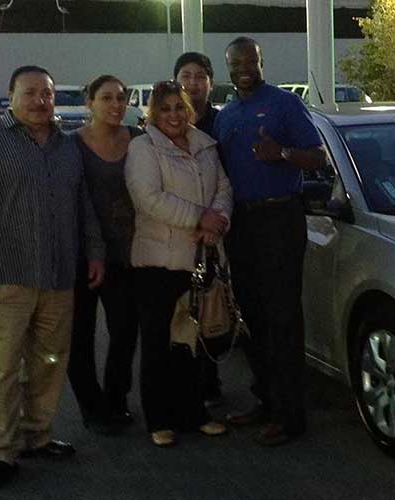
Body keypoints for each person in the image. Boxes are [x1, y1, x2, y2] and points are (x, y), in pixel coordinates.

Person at [0, 65, 105, 490]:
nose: (40, 101)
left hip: (58, 277)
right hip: (4, 276)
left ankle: (37, 436)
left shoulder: (67, 146)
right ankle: (1, 452)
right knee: (1, 369)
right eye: (30, 93)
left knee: (48, 362)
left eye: (47, 94)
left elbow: (83, 205)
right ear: (11, 97)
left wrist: (94, 252)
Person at [214, 37, 327, 447]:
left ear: (262, 62)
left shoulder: (285, 104)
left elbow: (319, 157)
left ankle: (291, 416)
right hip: (241, 223)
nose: (244, 68)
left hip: (280, 218)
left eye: (251, 61)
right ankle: (266, 401)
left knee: (282, 319)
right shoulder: (228, 114)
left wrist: (281, 154)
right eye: (236, 63)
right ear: (228, 67)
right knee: (251, 318)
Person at [125, 81, 233, 448]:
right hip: (157, 263)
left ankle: (193, 413)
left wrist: (217, 221)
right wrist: (199, 217)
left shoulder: (205, 145)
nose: (173, 115)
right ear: (154, 113)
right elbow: (148, 198)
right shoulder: (143, 148)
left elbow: (224, 188)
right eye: (165, 108)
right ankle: (159, 419)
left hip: (199, 258)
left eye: (179, 107)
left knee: (191, 343)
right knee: (158, 343)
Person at [65, 75, 146, 435]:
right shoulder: (71, 145)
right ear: (90, 103)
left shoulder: (139, 139)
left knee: (125, 331)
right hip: (82, 255)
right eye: (106, 98)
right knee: (79, 336)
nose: (115, 105)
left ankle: (116, 398)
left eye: (120, 98)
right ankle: (91, 406)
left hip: (126, 254)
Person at [174, 51, 224, 408]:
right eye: (186, 76)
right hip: (176, 232)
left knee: (212, 307)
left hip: (216, 231)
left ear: (211, 82)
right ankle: (182, 387)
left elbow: (226, 179)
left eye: (200, 77)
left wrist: (216, 221)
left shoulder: (223, 123)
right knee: (180, 312)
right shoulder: (164, 122)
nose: (193, 83)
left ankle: (210, 382)